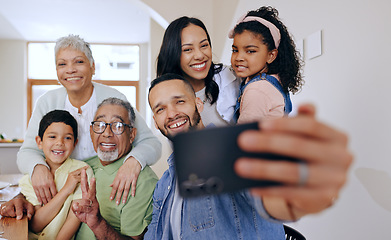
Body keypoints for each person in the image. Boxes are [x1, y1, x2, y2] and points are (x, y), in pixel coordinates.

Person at [145, 73, 352, 239]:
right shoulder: (165, 182)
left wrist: (299, 192)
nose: (171, 113)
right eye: (160, 109)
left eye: (179, 102)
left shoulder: (232, 152)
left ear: (198, 104)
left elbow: (267, 197)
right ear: (156, 121)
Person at [6, 34, 161, 219]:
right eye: (62, 64)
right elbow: (27, 152)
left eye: (78, 61)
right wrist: (37, 167)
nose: (70, 70)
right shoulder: (47, 101)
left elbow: (151, 143)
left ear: (92, 66)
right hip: (63, 189)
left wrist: (134, 161)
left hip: (106, 186)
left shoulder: (113, 98)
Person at [72, 97, 158, 239]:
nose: (106, 133)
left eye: (117, 125)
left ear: (132, 135)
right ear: (91, 132)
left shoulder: (142, 181)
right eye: (100, 125)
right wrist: (21, 198)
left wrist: (97, 223)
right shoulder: (85, 165)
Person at [19, 109, 94, 240]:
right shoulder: (30, 178)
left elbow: (74, 217)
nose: (59, 143)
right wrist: (66, 190)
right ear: (39, 142)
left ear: (75, 143)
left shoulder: (82, 170)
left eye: (67, 138)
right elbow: (36, 225)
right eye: (52, 137)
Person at [157, 16, 239, 126]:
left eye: (204, 45)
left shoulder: (232, 77)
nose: (200, 55)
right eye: (187, 49)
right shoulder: (168, 97)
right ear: (173, 54)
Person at [230, 6, 304, 124]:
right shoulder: (275, 80)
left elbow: (244, 138)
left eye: (250, 51)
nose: (239, 58)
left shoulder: (256, 90)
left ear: (271, 55)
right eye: (235, 50)